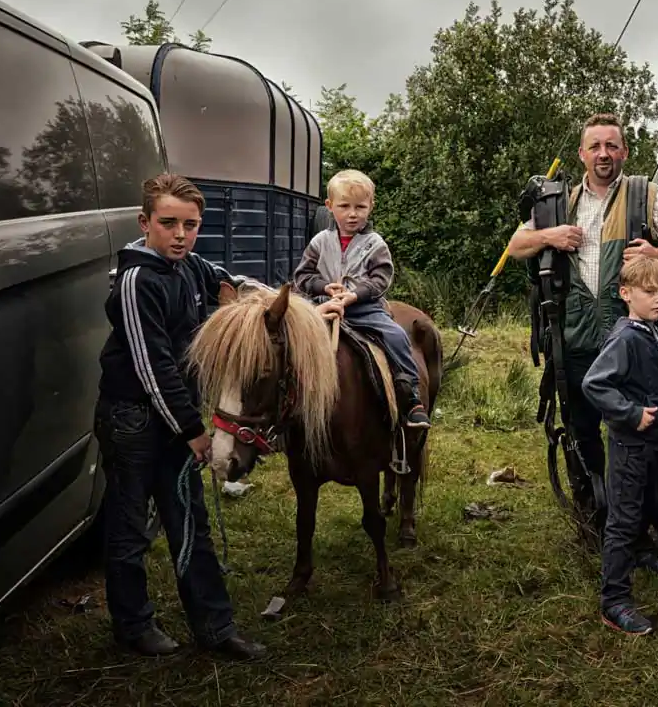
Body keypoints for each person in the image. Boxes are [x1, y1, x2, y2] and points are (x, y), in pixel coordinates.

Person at [507, 112, 658, 570]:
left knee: (647, 433)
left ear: (625, 152)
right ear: (581, 154)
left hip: (629, 337)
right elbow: (516, 246)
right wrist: (549, 235)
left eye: (612, 146)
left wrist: (656, 252)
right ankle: (602, 520)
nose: (603, 154)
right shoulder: (559, 201)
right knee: (582, 432)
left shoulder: (646, 194)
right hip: (571, 337)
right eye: (594, 146)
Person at [94, 173, 266, 659]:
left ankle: (214, 628)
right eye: (168, 223)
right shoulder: (136, 280)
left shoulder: (189, 265)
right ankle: (132, 624)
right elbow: (153, 366)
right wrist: (193, 430)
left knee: (191, 520)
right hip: (133, 419)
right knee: (130, 529)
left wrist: (237, 289)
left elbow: (223, 277)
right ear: (144, 222)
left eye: (190, 225)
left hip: (175, 418)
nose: (180, 235)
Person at [582, 256, 658, 635]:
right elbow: (595, 384)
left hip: (655, 444)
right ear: (626, 294)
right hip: (630, 446)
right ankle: (615, 601)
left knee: (647, 503)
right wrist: (630, 413)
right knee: (623, 521)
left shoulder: (651, 330)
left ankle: (645, 554)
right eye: (650, 292)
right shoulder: (626, 337)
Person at [292, 169, 431, 429]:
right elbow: (303, 276)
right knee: (292, 341)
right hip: (325, 306)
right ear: (330, 206)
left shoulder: (375, 243)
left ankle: (411, 396)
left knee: (396, 335)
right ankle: (288, 405)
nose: (352, 213)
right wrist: (325, 287)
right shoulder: (319, 242)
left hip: (365, 309)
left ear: (371, 207)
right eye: (344, 206)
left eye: (360, 206)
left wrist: (354, 295)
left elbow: (382, 278)